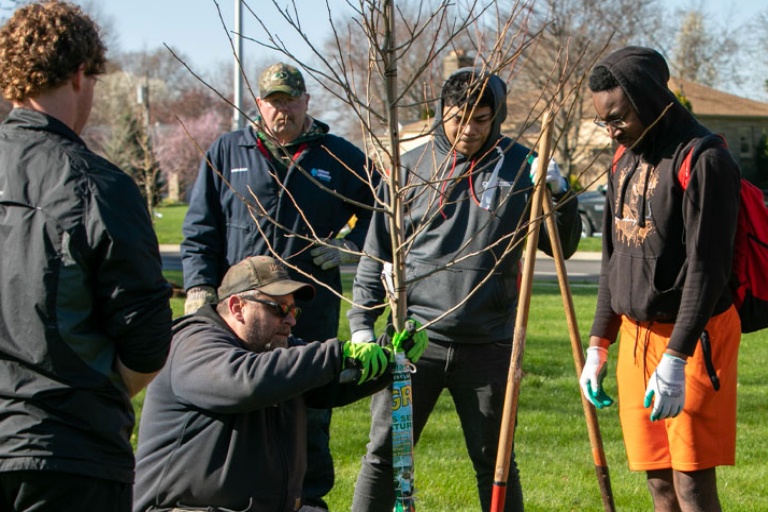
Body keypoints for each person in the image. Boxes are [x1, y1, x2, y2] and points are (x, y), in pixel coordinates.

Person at [347, 67, 582, 512]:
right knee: (385, 455)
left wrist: (557, 190)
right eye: (458, 118)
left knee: (495, 462)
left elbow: (562, 246)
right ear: (441, 113)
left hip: (489, 343)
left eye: (481, 119)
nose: (469, 130)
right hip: (413, 342)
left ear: (497, 116)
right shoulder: (410, 171)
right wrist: (361, 325)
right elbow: (377, 254)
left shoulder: (521, 168)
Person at [0, 2, 173, 511]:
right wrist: (101, 387)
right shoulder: (98, 186)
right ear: (80, 76)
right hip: (67, 454)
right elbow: (146, 341)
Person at [180, 62, 376, 509]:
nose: (280, 110)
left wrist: (353, 246)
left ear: (306, 101)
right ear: (259, 104)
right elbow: (199, 231)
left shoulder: (338, 155)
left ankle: (305, 500)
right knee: (235, 403)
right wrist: (198, 288)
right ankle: (235, 497)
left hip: (307, 308)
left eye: (289, 100)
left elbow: (383, 212)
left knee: (308, 406)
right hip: (239, 315)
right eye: (272, 101)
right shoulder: (229, 152)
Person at [579, 47, 741, 512]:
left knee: (690, 481)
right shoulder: (622, 158)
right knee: (658, 480)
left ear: (650, 99)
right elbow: (614, 257)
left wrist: (675, 359)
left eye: (619, 118)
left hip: (693, 339)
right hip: (635, 337)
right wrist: (598, 343)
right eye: (602, 121)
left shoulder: (704, 159)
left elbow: (710, 270)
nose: (611, 130)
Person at [133, 255, 426, 512]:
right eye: (278, 308)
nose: (291, 320)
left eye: (293, 310)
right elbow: (245, 382)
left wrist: (390, 359)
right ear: (237, 307)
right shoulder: (193, 344)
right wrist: (336, 354)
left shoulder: (274, 352)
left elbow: (331, 382)